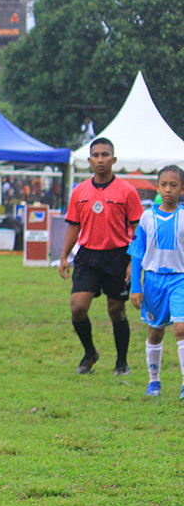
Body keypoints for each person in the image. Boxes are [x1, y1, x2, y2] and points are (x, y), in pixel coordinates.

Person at [59, 138, 143, 375]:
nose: (100, 159)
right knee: (77, 307)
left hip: (118, 256)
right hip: (87, 257)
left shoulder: (127, 191)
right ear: (89, 161)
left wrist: (133, 262)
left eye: (105, 155)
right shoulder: (80, 191)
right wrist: (64, 256)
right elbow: (74, 227)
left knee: (116, 310)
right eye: (96, 155)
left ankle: (121, 363)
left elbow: (138, 230)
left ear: (113, 160)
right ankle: (90, 353)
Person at [128, 164, 184, 398]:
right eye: (164, 185)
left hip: (179, 279)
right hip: (152, 281)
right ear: (157, 187)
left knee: (181, 329)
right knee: (155, 333)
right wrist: (136, 286)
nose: (168, 190)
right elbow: (138, 253)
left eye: (174, 185)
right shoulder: (147, 216)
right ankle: (154, 381)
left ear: (182, 188)